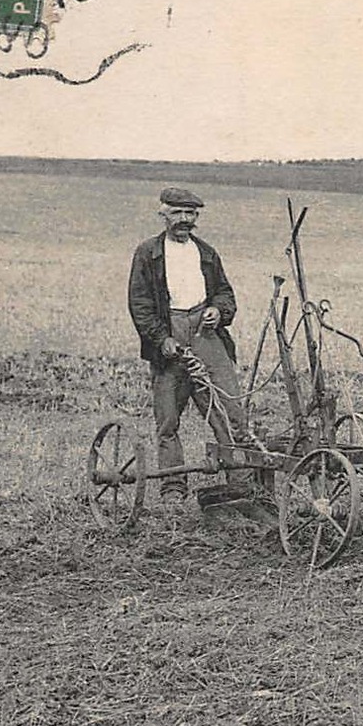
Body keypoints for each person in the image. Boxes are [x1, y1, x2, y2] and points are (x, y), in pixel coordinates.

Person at [127, 187, 253, 505]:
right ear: (163, 214)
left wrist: (218, 311)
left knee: (228, 410)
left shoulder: (206, 253)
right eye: (177, 213)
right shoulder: (148, 253)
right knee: (168, 418)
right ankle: (173, 486)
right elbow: (140, 304)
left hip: (205, 336)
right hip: (169, 333)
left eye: (190, 214)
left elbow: (225, 293)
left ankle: (239, 481)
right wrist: (161, 339)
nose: (184, 220)